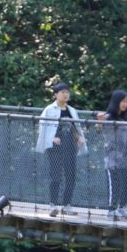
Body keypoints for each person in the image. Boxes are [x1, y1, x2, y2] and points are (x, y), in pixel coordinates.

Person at [35, 83, 86, 215]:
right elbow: (42, 127)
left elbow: (75, 127)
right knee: (56, 177)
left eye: (67, 92)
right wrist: (51, 139)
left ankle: (66, 205)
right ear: (55, 94)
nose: (65, 94)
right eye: (62, 92)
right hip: (55, 149)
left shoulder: (71, 110)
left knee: (71, 177)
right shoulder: (49, 109)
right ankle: (53, 205)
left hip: (70, 148)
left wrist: (79, 137)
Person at [102, 89, 127, 218]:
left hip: (126, 157)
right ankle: (111, 209)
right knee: (114, 185)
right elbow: (105, 132)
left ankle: (122, 207)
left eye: (126, 101)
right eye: (122, 101)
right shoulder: (108, 117)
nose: (124, 104)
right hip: (112, 158)